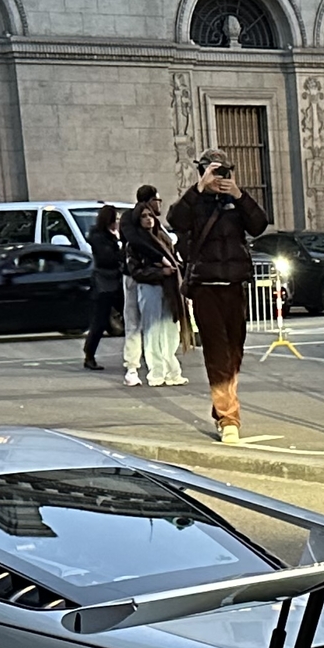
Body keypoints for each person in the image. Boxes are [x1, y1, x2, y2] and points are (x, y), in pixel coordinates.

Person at [168, 151, 269, 441]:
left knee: (234, 353)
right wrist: (198, 188)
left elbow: (259, 225)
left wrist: (239, 194)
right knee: (217, 353)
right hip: (205, 286)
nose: (218, 179)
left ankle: (222, 408)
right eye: (212, 172)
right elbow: (176, 219)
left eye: (222, 172)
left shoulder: (235, 202)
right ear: (202, 172)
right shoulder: (194, 202)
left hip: (235, 284)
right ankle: (229, 418)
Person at [118, 183, 186, 388]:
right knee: (141, 324)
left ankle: (169, 369)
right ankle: (137, 368)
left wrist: (175, 266)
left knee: (167, 327)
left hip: (165, 284)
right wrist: (162, 265)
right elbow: (137, 255)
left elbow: (172, 251)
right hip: (143, 281)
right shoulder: (131, 226)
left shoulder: (160, 230)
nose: (152, 215)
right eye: (157, 201)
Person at [82, 203, 125, 373]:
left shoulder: (106, 235)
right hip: (104, 281)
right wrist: (120, 250)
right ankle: (89, 355)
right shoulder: (100, 237)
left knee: (129, 317)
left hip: (113, 279)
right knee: (100, 321)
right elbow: (107, 258)